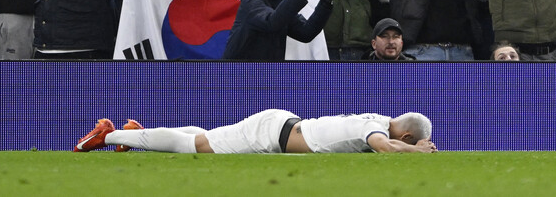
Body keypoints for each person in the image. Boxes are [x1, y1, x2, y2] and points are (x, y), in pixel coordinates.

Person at [74, 109, 437, 154]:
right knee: (193, 147)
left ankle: (139, 131)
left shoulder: (378, 120)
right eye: (411, 143)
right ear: (404, 137)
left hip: (279, 129)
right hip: (271, 134)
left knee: (206, 136)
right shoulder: (375, 130)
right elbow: (386, 149)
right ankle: (108, 135)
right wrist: (419, 152)